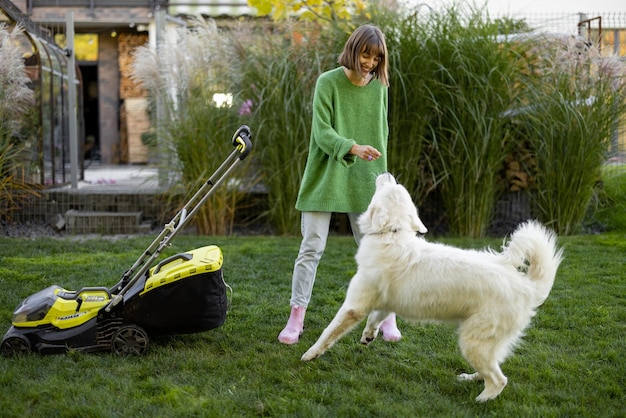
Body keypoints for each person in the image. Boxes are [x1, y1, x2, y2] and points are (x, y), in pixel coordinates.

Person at [278, 24, 402, 345]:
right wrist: (353, 147)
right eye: (365, 54)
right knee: (311, 248)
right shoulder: (328, 83)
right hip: (326, 175)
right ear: (353, 49)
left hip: (366, 179)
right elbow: (321, 133)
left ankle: (387, 316)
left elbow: (382, 137)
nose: (370, 63)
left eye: (376, 58)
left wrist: (383, 181)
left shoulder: (379, 89)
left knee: (375, 251)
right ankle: (296, 317)